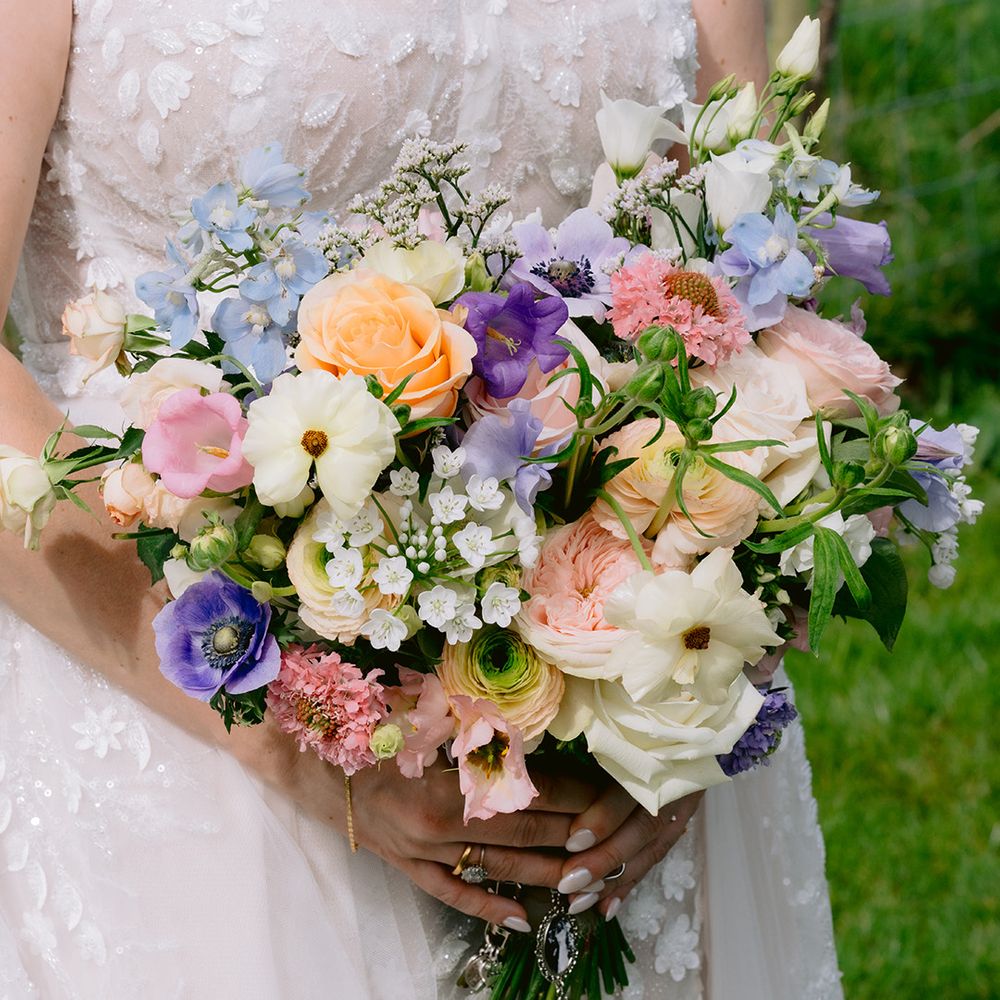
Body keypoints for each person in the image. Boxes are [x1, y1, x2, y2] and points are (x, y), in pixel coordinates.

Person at [0, 1, 843, 996]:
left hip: (618, 740)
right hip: (190, 739)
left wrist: (685, 719)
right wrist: (292, 744)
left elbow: (754, 294)